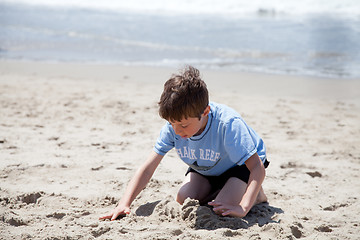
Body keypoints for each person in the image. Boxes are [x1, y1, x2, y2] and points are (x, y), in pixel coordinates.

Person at [99, 66, 269, 221]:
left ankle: (256, 195)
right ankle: (225, 188)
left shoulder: (228, 124)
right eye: (172, 124)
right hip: (206, 167)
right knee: (184, 198)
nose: (177, 131)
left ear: (205, 112)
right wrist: (124, 203)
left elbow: (257, 167)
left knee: (222, 208)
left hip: (240, 166)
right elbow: (148, 167)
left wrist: (243, 207)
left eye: (183, 125)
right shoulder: (173, 127)